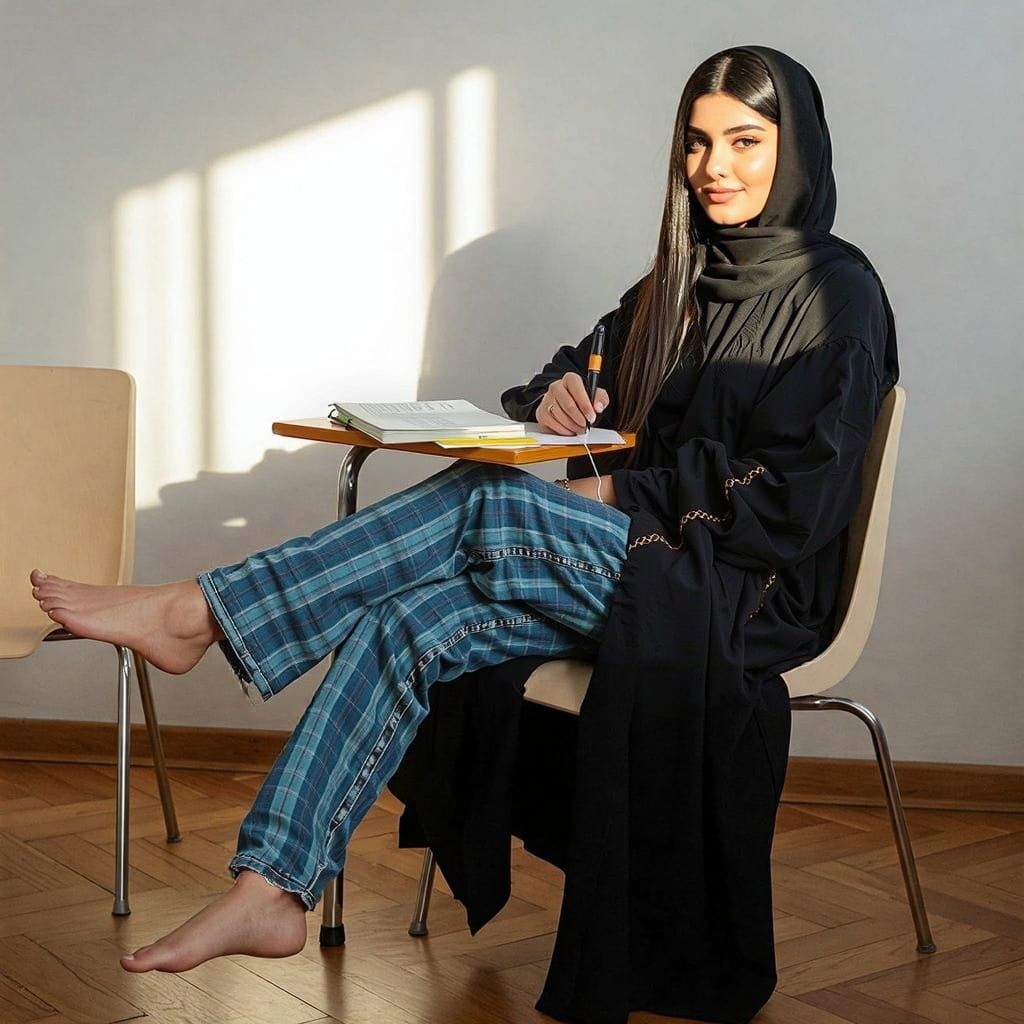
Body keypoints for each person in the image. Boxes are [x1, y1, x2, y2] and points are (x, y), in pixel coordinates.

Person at [30, 45, 897, 1024]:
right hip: (635, 569)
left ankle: (202, 610)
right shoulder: (677, 281)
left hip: (734, 590)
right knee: (412, 620)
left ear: (798, 150)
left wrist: (624, 499)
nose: (714, 166)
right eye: (696, 143)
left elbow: (798, 501)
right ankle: (273, 884)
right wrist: (559, 396)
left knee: (488, 503)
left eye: (745, 141)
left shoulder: (838, 296)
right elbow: (568, 374)